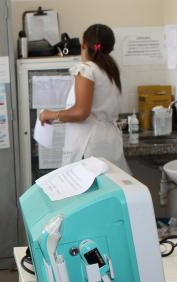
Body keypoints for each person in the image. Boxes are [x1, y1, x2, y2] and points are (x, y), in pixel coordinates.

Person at [39, 24, 131, 173]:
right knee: (107, 192)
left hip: (88, 147)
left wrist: (50, 114)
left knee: (88, 195)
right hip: (108, 142)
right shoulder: (110, 71)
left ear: (84, 45)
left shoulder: (86, 69)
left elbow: (81, 112)